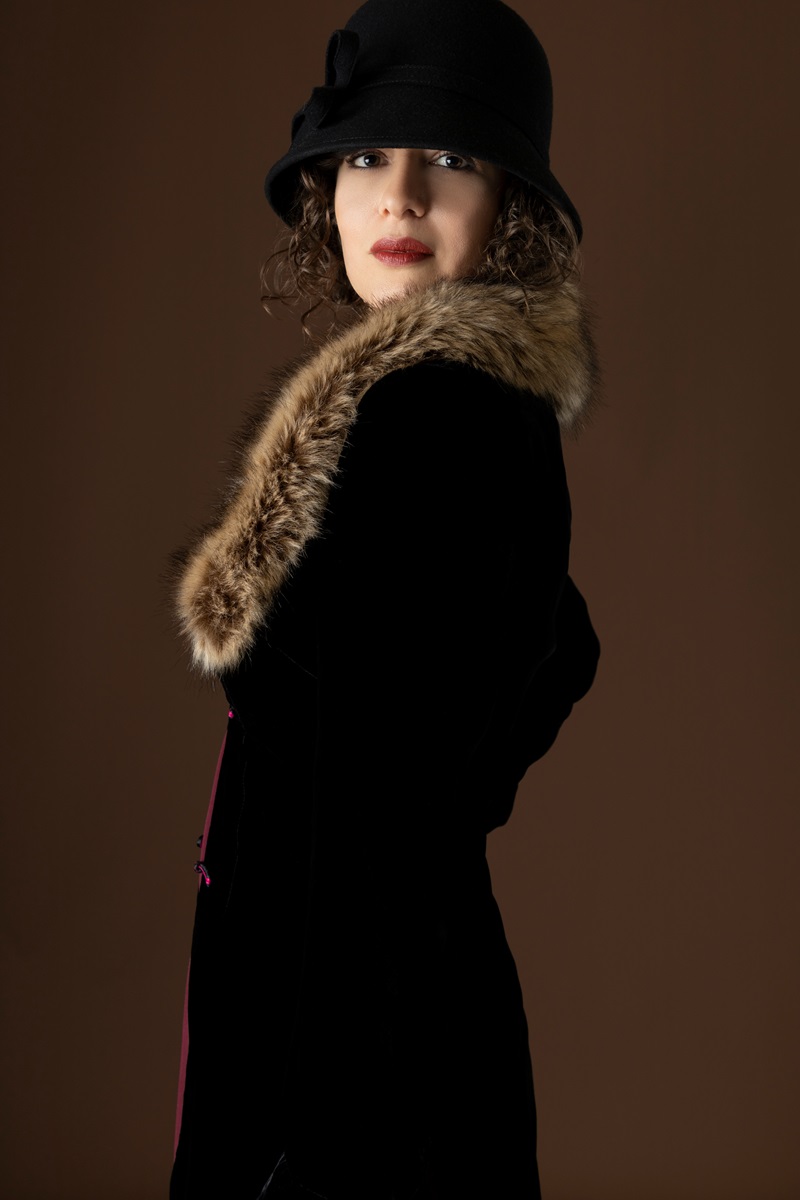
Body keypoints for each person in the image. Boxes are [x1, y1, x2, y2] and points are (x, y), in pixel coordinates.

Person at [169, 1, 600, 1197]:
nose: (399, 194)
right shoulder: (462, 410)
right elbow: (555, 650)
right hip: (389, 1019)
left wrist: (290, 1141)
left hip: (352, 1064)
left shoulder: (432, 415)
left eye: (451, 158)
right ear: (327, 189)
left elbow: (365, 814)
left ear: (509, 206)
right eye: (367, 155)